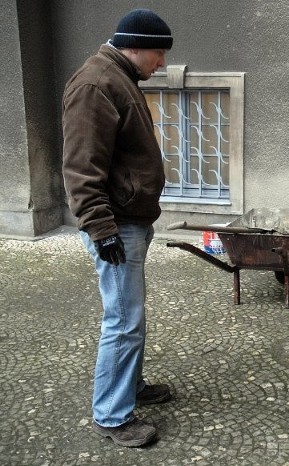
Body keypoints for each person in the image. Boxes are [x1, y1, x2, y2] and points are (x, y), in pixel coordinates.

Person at [62, 9, 174, 447]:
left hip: (130, 220)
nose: (161, 63)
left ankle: (130, 386)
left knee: (132, 315)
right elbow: (81, 167)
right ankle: (111, 415)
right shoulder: (96, 84)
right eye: (158, 53)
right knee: (123, 319)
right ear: (135, 45)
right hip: (117, 226)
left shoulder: (119, 77)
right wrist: (101, 229)